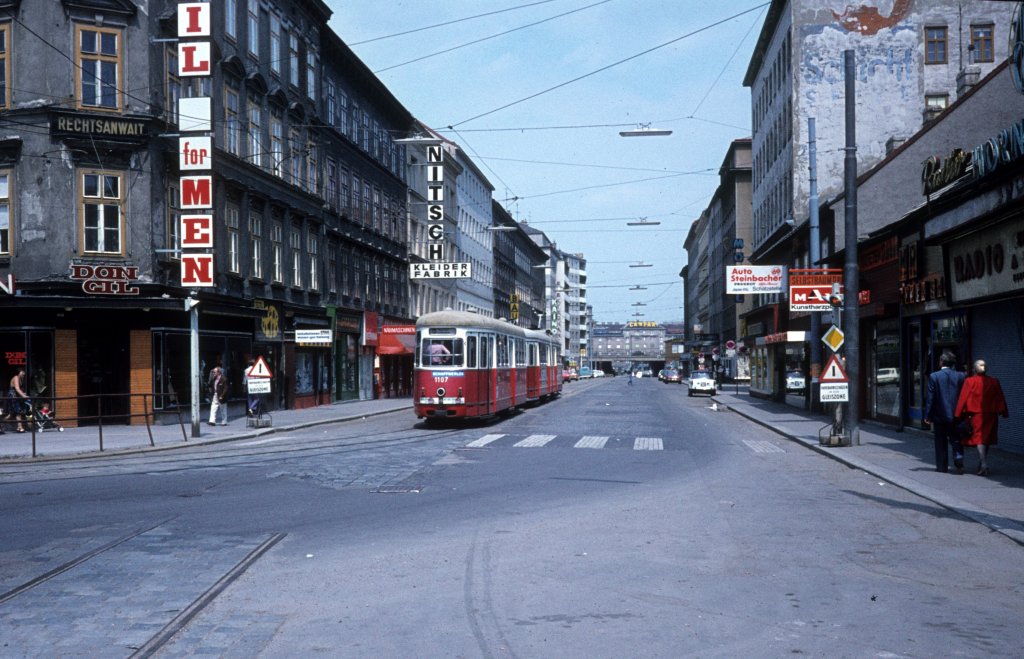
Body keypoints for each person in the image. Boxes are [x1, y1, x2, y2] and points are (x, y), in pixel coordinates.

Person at [955, 359, 1009, 476]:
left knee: (979, 438)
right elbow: (1000, 397)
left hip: (976, 414)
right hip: (991, 414)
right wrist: (1004, 411)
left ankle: (983, 463)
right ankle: (982, 462)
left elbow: (963, 398)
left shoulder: (970, 381)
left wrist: (958, 414)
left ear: (975, 369)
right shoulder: (994, 381)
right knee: (986, 438)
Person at [923, 351, 966, 474]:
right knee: (956, 438)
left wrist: (927, 415)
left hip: (940, 415)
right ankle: (958, 457)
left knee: (940, 441)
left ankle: (942, 466)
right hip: (956, 414)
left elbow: (931, 397)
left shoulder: (934, 376)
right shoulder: (961, 376)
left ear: (941, 362)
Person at [6, 368, 29, 433]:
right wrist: (24, 396)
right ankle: (20, 427)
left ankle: (2, 423)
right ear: (18, 372)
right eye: (22, 372)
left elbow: (19, 390)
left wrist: (23, 394)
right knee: (17, 411)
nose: (23, 373)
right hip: (13, 396)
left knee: (12, 413)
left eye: (24, 372)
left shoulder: (21, 379)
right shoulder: (16, 377)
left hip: (16, 396)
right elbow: (17, 388)